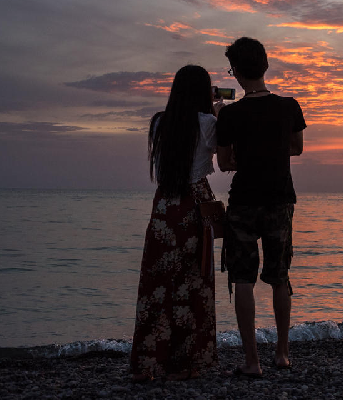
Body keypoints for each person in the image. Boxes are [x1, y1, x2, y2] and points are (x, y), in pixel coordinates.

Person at [216, 37, 306, 378]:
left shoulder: (231, 114)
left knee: (242, 279)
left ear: (236, 73)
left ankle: (252, 362)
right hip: (280, 200)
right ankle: (282, 354)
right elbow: (295, 149)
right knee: (280, 277)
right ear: (266, 66)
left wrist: (243, 153)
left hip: (243, 203)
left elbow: (224, 163)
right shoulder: (289, 107)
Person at [130, 64, 224, 382]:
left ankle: (151, 363)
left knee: (158, 283)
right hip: (195, 204)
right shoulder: (209, 122)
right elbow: (222, 159)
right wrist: (217, 112)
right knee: (195, 282)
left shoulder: (159, 122)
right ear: (203, 92)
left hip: (165, 204)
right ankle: (191, 363)